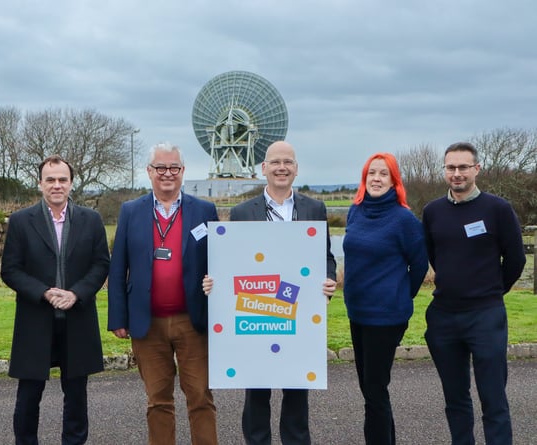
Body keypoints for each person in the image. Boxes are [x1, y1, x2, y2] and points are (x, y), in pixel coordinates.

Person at [205, 140, 337, 445]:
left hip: (299, 312)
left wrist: (328, 282)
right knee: (257, 394)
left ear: (296, 168)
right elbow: (232, 262)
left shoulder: (314, 208)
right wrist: (217, 284)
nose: (282, 167)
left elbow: (325, 257)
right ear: (263, 168)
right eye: (276, 162)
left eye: (288, 162)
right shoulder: (242, 212)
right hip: (257, 311)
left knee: (296, 392)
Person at [107, 142, 219, 445]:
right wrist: (118, 317)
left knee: (200, 397)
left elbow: (220, 262)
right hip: (147, 323)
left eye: (173, 168)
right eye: (160, 168)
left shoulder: (204, 210)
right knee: (158, 400)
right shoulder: (131, 211)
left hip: (193, 321)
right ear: (149, 172)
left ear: (182, 171)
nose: (167, 174)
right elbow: (118, 268)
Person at [1, 155, 110, 445]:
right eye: (50, 179)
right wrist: (44, 292)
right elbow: (10, 270)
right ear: (40, 184)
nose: (57, 185)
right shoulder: (22, 221)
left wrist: (76, 293)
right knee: (28, 396)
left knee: (76, 397)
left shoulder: (91, 220)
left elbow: (101, 264)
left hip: (78, 319)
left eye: (62, 179)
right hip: (36, 319)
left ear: (71, 183)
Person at [422, 142, 526, 445]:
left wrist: (493, 291)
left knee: (493, 399)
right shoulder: (432, 212)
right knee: (455, 400)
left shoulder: (498, 209)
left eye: (463, 167)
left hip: (486, 315)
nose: (457, 173)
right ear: (445, 170)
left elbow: (516, 259)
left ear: (476, 169)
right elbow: (433, 255)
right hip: (444, 316)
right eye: (451, 167)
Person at [342, 153, 429, 444]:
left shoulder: (403, 219)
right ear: (364, 179)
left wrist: (401, 295)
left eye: (383, 174)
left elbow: (418, 264)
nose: (376, 179)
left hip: (386, 316)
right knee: (371, 389)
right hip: (358, 312)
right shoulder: (355, 211)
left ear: (394, 181)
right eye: (371, 173)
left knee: (375, 390)